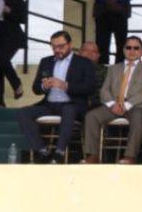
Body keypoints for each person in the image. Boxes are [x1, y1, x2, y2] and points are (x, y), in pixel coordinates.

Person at [16, 31, 98, 163]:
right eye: (54, 47)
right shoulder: (46, 61)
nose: (57, 50)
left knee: (68, 110)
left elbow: (90, 88)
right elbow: (35, 88)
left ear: (70, 44)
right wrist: (44, 86)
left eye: (61, 46)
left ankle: (59, 153)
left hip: (73, 105)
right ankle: (42, 151)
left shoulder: (84, 63)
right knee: (23, 113)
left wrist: (66, 85)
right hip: (49, 105)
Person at [82, 36, 142, 164]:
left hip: (136, 105)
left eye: (136, 48)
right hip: (115, 105)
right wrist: (112, 105)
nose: (132, 51)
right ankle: (92, 156)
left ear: (141, 51)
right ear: (123, 50)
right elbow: (104, 90)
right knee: (91, 116)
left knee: (138, 116)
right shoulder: (113, 68)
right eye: (128, 47)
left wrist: (127, 104)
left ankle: (130, 157)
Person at [0, 0, 28, 107]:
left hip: (12, 36)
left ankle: (16, 84)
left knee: (0, 58)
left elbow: (23, 18)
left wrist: (8, 10)